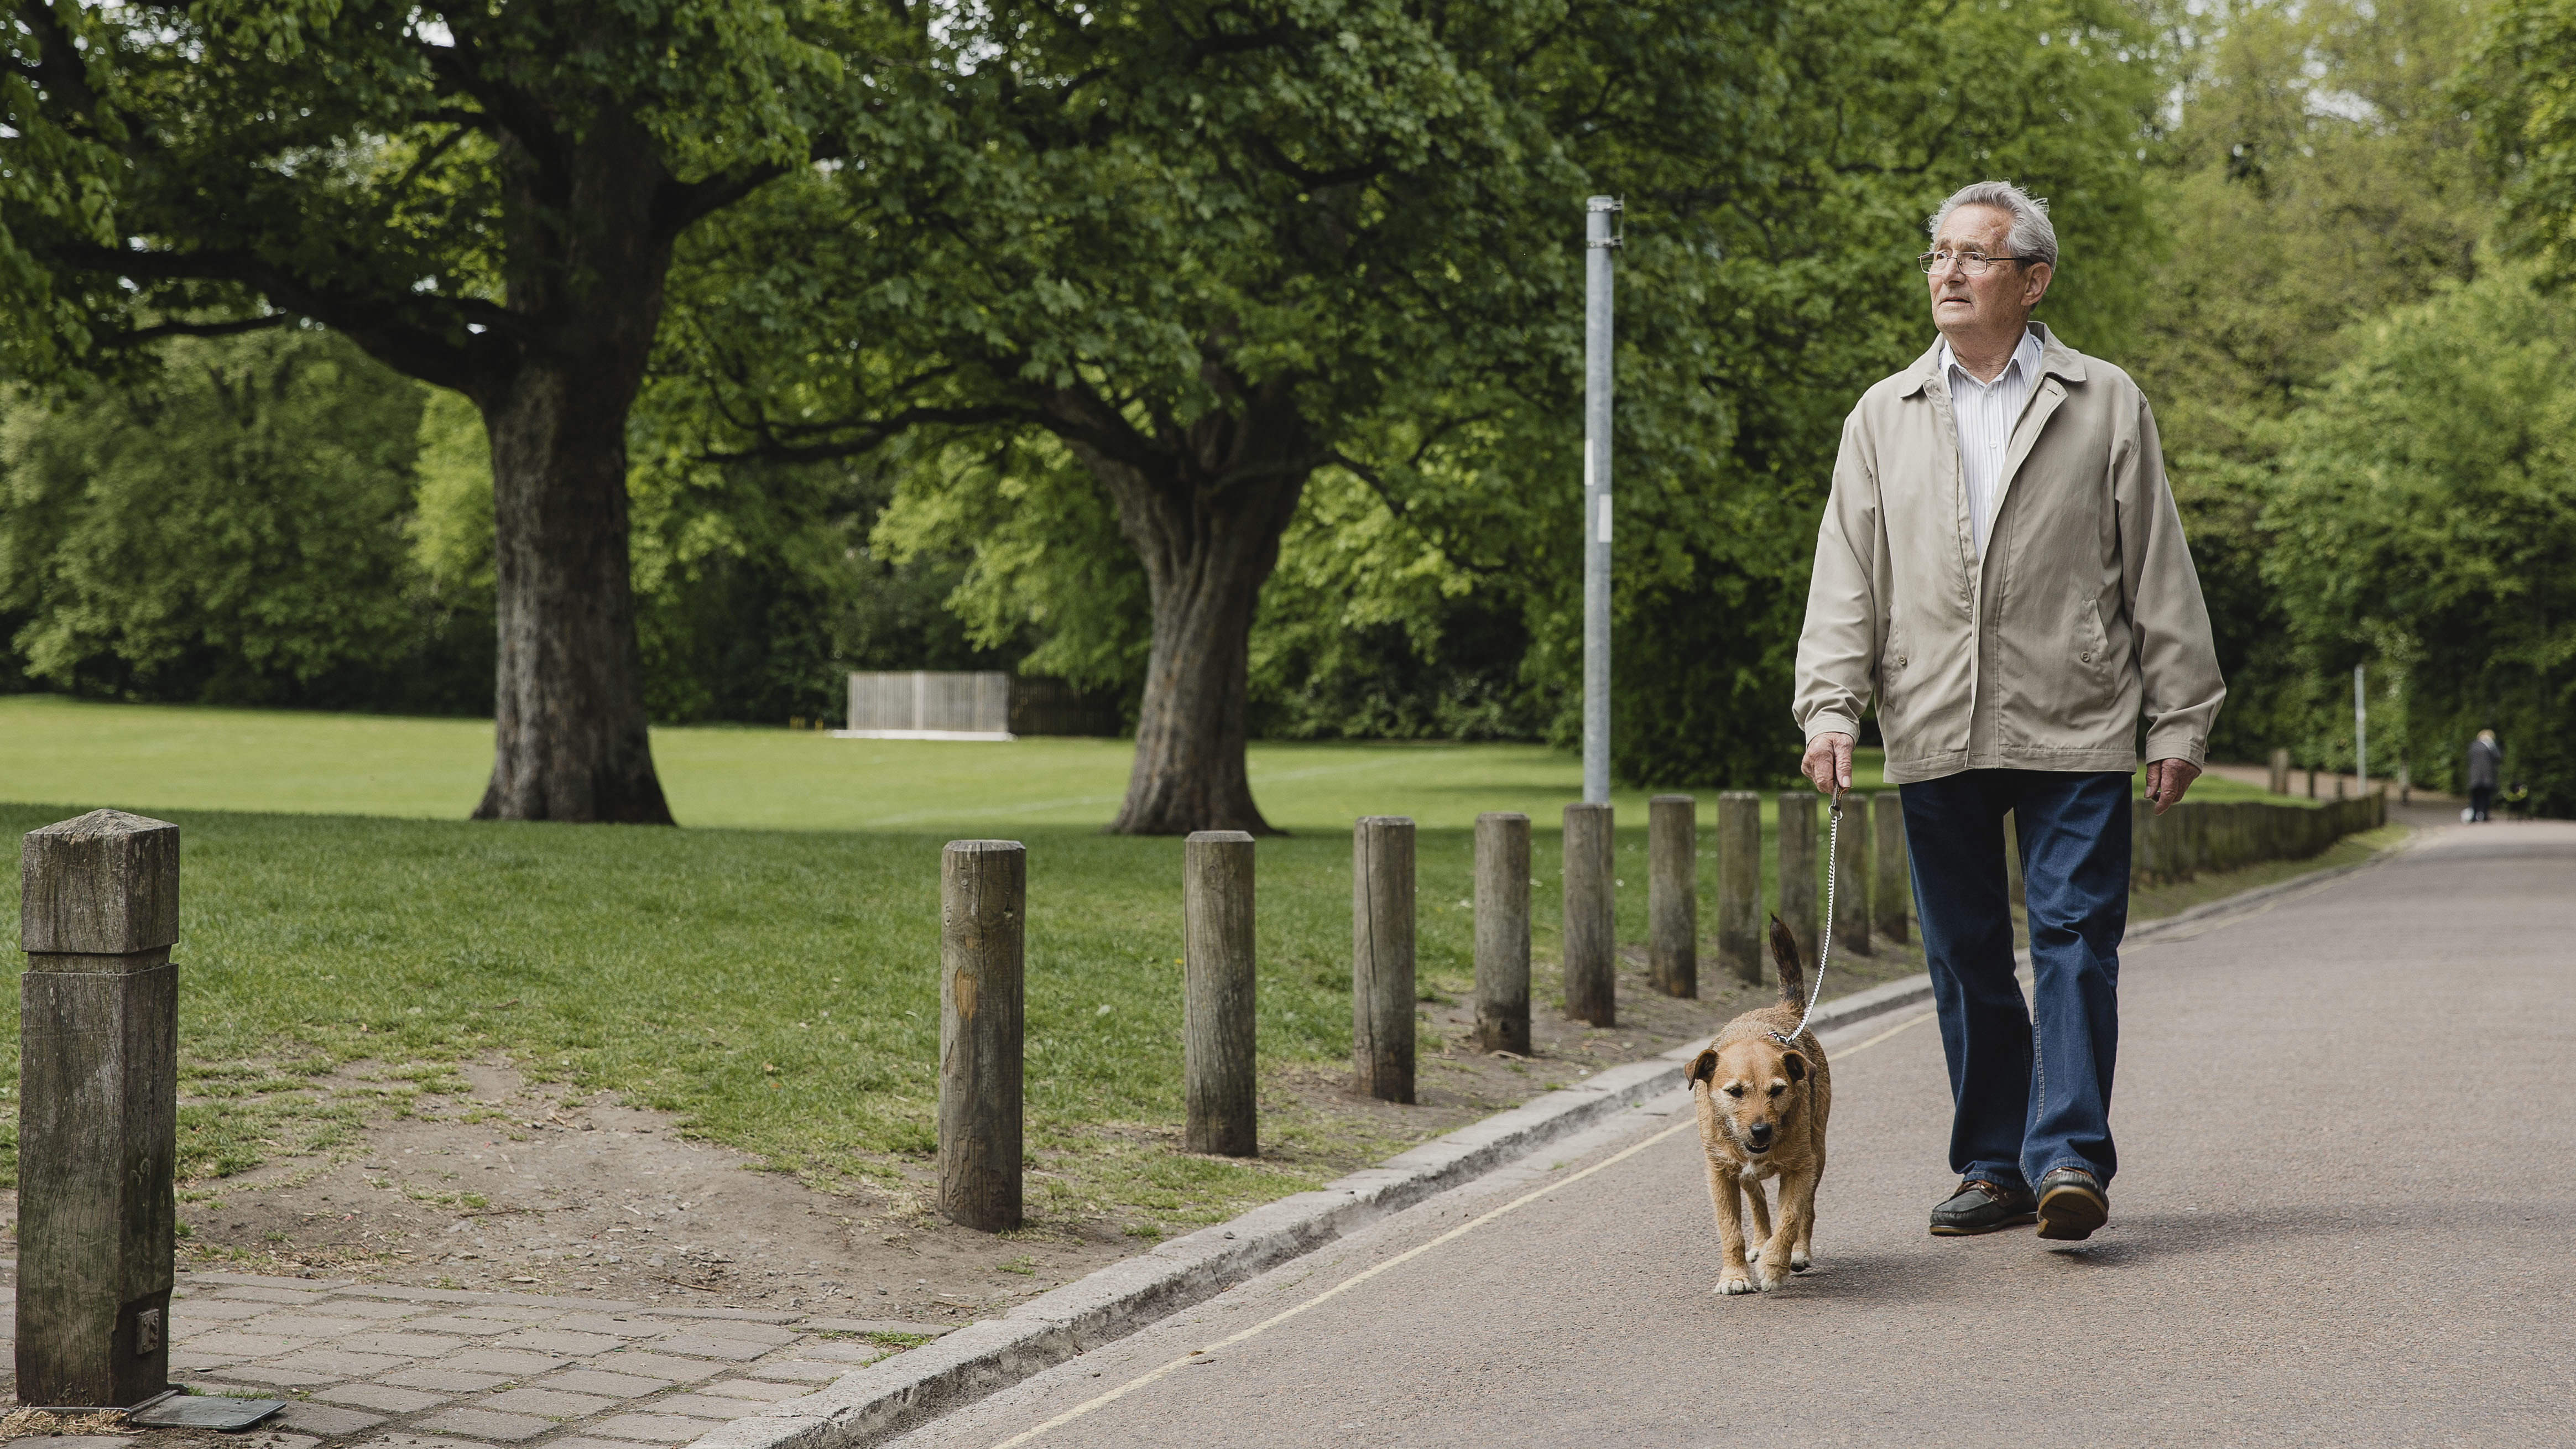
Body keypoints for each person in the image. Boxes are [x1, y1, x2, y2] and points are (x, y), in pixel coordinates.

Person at [1792, 181, 2224, 1244]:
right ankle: (1994, 1163)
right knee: (1965, 954)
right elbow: (1846, 574)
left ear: (2031, 281)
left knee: (2076, 935)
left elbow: (2155, 568)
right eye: (1935, 255)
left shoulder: (2105, 399)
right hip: (1932, 719)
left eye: (1972, 257)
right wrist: (1829, 708)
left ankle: (2068, 1154)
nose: (1944, 273)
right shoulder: (1880, 414)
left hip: (2076, 716)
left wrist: (2178, 715)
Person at [2467, 729, 2502, 822]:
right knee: (2485, 797)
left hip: (2475, 776)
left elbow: (2469, 758)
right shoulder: (2490, 746)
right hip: (2487, 776)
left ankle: (2474, 817)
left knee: (2475, 797)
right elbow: (2498, 757)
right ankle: (2484, 816)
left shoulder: (2473, 745)